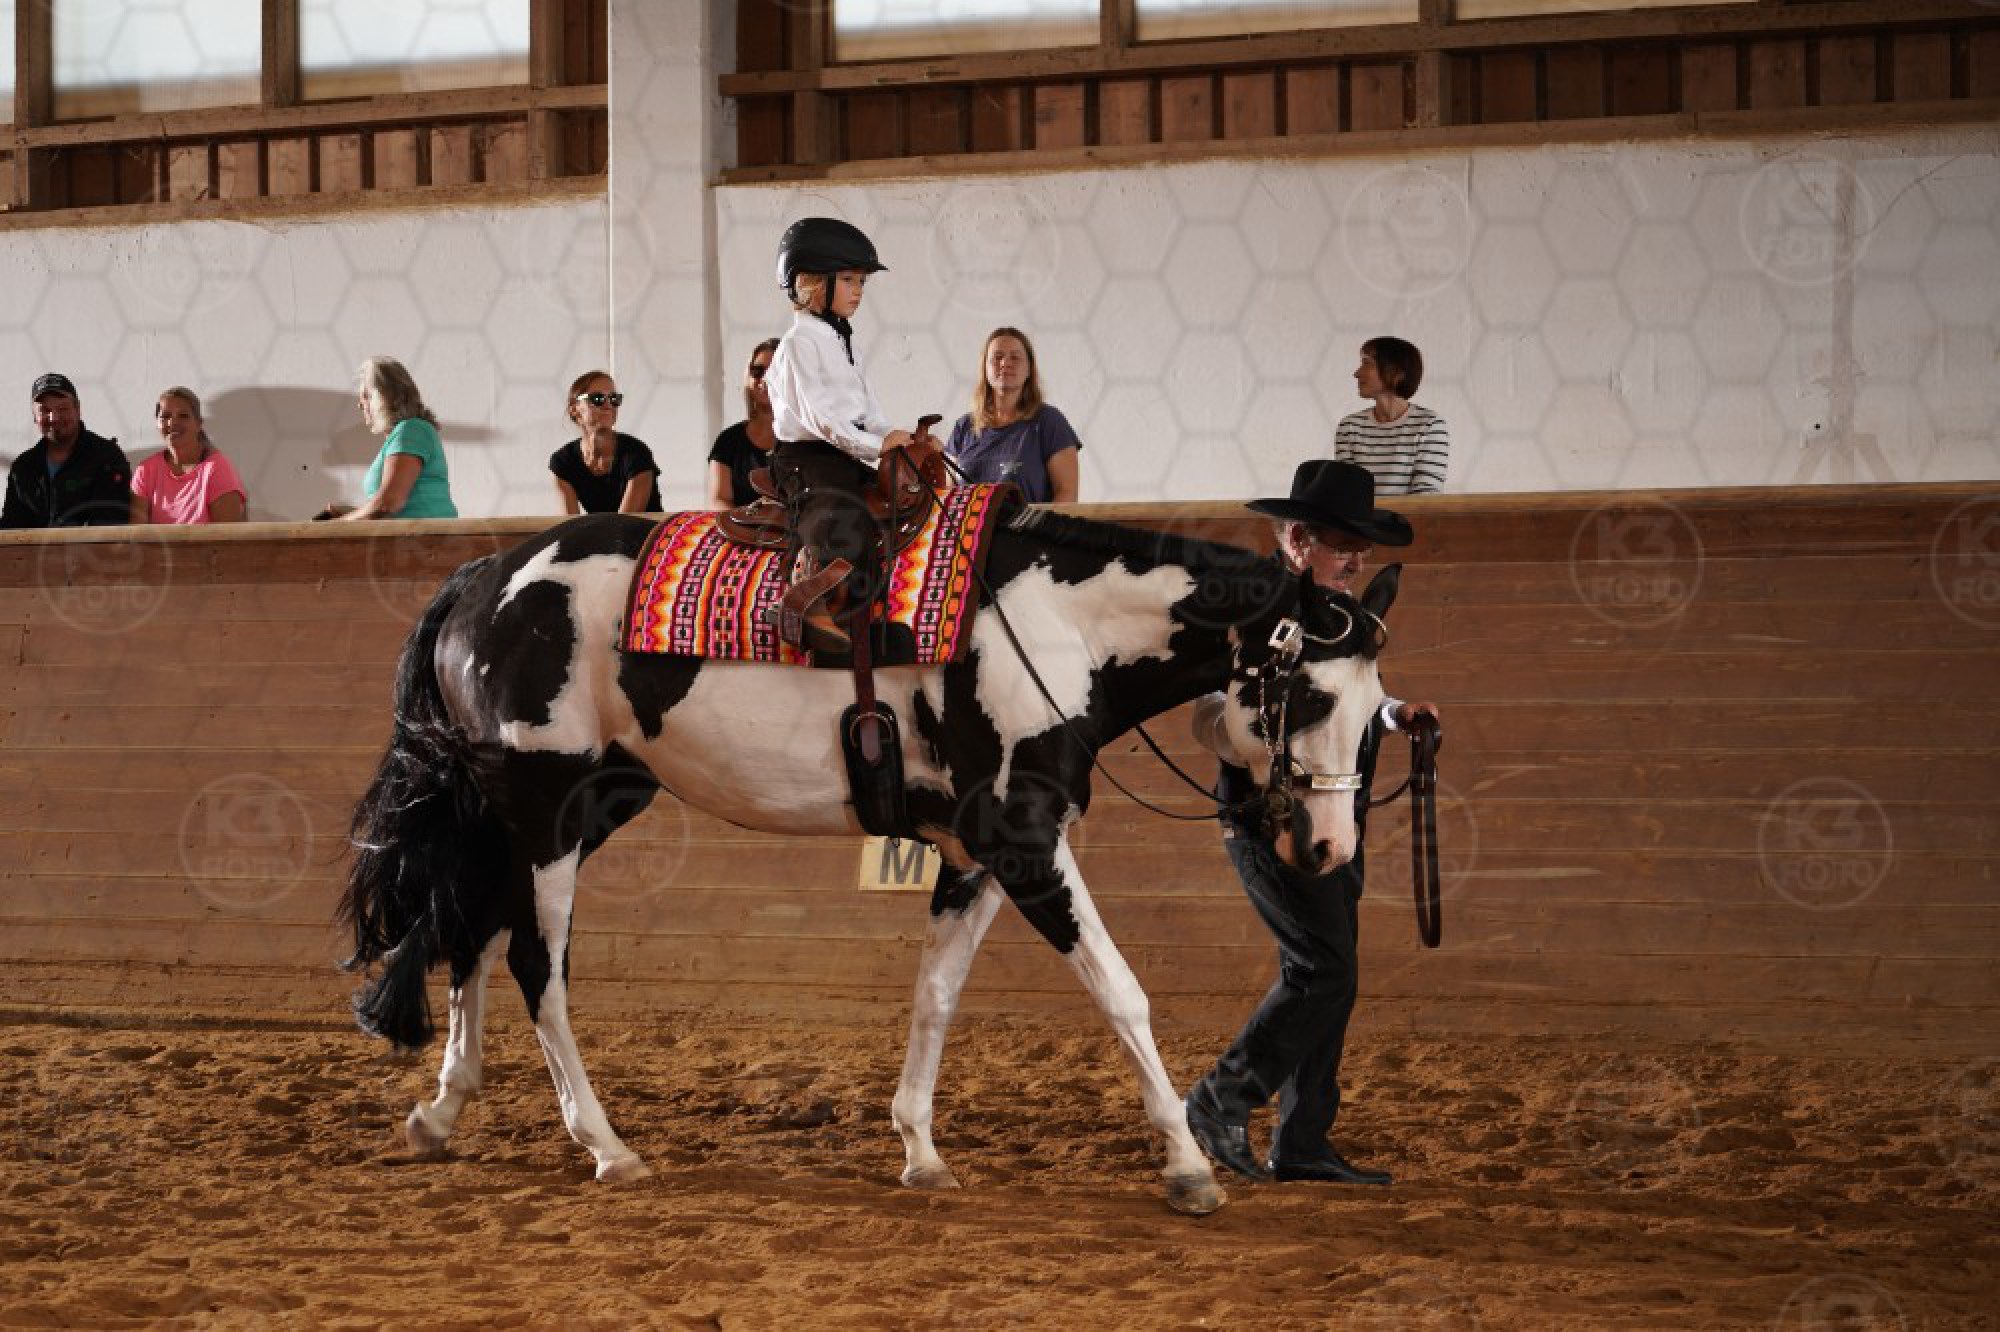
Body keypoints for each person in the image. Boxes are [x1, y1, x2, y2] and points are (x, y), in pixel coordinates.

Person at [1183, 459, 1441, 1186]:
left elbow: (1354, 697)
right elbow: (1206, 716)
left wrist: (1395, 714)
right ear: (1297, 539)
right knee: (1322, 969)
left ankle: (1301, 1140)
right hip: (1272, 818)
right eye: (1341, 545)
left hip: (1338, 812)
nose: (1356, 561)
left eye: (1361, 548)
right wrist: (1265, 736)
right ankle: (1219, 1099)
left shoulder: (1345, 617)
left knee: (1335, 975)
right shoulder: (1249, 612)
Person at [764, 216, 930, 653]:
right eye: (850, 279)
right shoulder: (799, 343)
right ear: (814, 283)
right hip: (806, 459)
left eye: (862, 282)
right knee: (841, 519)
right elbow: (821, 418)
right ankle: (804, 602)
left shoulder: (841, 339)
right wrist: (875, 446)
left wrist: (897, 438)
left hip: (841, 452)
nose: (859, 290)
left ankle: (872, 616)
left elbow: (865, 408)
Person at [944, 327, 1080, 504]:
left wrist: (1039, 523)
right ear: (985, 368)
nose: (1005, 363)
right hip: (969, 524)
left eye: (1015, 357)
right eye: (997, 357)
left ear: (1029, 369)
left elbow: (1067, 494)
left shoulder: (1049, 421)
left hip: (1031, 524)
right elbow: (946, 498)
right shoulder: (963, 428)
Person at [327, 357, 458, 521]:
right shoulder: (406, 432)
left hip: (426, 536)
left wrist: (340, 524)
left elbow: (388, 502)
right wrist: (350, 514)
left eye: (366, 396)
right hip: (411, 534)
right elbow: (392, 507)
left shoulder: (411, 429)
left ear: (385, 396)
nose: (360, 405)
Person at [2, 373, 132, 529]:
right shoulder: (23, 466)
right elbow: (11, 528)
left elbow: (110, 524)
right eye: (44, 410)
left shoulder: (108, 457)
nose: (54, 417)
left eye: (62, 408)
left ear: (78, 409)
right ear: (34, 417)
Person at [1333, 336, 1448, 496]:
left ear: (1395, 372)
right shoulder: (1350, 426)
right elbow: (1348, 496)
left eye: (1366, 363)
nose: (1356, 373)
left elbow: (1426, 499)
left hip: (1408, 515)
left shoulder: (1430, 425)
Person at [129, 386, 248, 524]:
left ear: (198, 424)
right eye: (165, 416)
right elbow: (137, 533)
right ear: (157, 424)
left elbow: (229, 534)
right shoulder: (145, 470)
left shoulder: (217, 468)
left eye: (183, 416)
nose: (172, 422)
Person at [550, 371, 661, 515]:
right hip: (599, 529)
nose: (608, 405)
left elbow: (625, 523)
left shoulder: (636, 453)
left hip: (648, 530)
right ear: (574, 409)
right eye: (598, 398)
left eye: (614, 399)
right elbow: (570, 523)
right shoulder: (564, 461)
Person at [707, 339, 781, 511]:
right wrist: (750, 521)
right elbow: (718, 500)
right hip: (738, 526)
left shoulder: (805, 439)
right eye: (757, 371)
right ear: (748, 377)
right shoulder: (728, 440)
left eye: (775, 372)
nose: (764, 379)